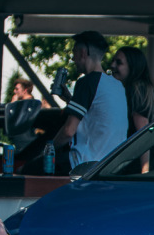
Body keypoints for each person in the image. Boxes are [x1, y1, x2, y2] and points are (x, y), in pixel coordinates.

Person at [41, 30, 127, 176]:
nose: (73, 59)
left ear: (82, 53)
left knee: (27, 169)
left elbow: (69, 131)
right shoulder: (117, 86)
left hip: (83, 164)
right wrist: (70, 100)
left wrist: (49, 148)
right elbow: (96, 119)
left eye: (74, 53)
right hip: (110, 166)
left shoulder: (87, 82)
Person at [111, 46, 154, 136]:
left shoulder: (137, 90)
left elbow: (142, 130)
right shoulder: (149, 89)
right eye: (113, 61)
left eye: (119, 62)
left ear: (132, 67)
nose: (112, 65)